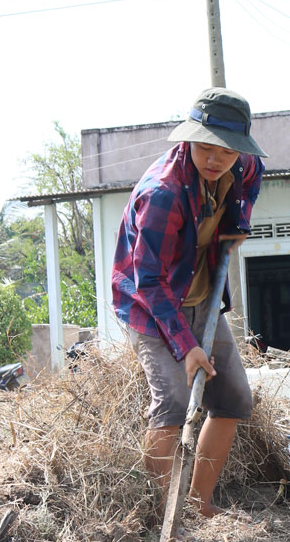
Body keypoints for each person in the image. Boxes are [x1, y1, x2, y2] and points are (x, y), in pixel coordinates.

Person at [111, 87, 266, 518]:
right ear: (188, 138)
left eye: (226, 151)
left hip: (201, 294)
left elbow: (249, 187)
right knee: (173, 403)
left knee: (234, 398)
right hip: (152, 306)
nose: (214, 159)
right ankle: (166, 514)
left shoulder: (245, 165)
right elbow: (149, 280)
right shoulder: (162, 194)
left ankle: (199, 504)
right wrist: (187, 346)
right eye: (204, 147)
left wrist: (237, 223)